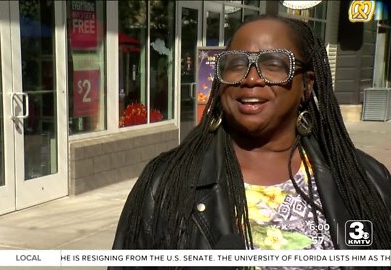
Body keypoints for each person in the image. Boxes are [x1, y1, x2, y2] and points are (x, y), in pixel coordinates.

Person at [111, 14, 391, 255]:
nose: (251, 78)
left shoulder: (365, 180)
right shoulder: (166, 183)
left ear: (307, 86)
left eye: (274, 64)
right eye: (235, 64)